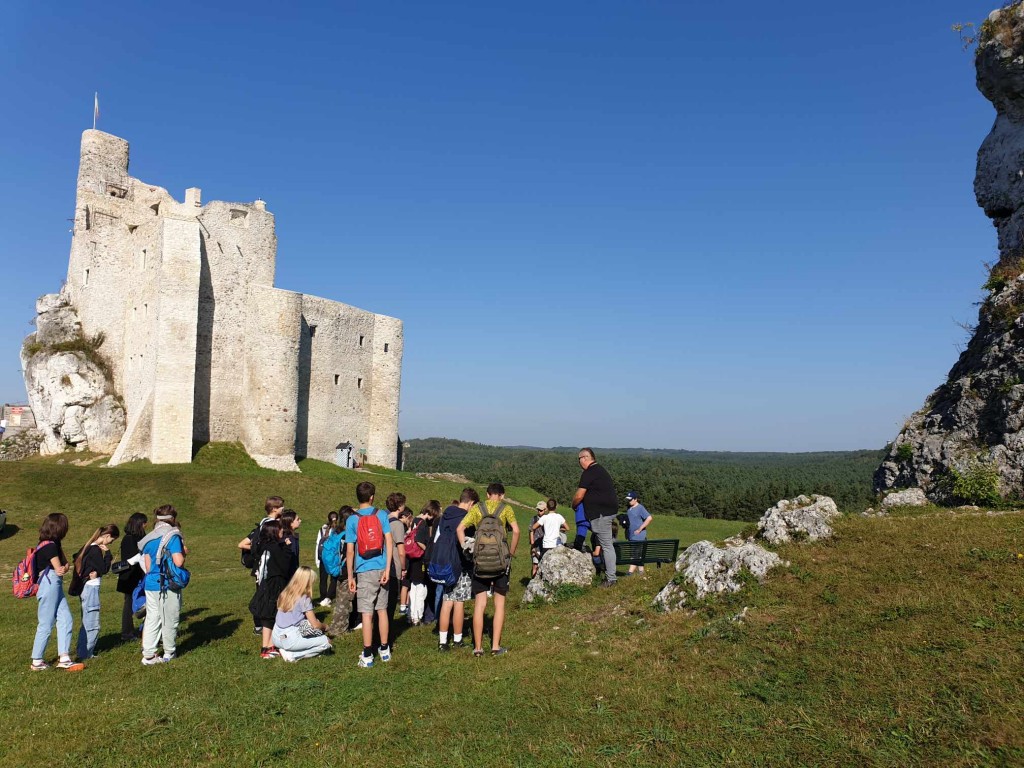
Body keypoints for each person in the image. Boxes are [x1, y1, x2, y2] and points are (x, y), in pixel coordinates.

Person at [457, 482, 520, 657]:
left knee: (480, 604)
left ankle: (477, 648)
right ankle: (495, 647)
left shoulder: (478, 508)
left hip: (480, 561)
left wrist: (466, 548)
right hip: (501, 562)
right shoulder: (506, 509)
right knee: (499, 605)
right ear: (502, 495)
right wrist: (511, 553)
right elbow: (516, 531)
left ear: (487, 494)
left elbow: (460, 528)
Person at [345, 481, 394, 668]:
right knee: (382, 611)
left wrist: (351, 576)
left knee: (366, 613)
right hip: (382, 567)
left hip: (364, 569)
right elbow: (388, 541)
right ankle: (384, 649)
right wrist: (388, 568)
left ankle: (367, 654)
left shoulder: (352, 520)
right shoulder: (381, 515)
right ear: (372, 497)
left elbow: (350, 551)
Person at [29, 513, 84, 671]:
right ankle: (37, 661)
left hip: (53, 584)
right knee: (46, 623)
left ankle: (64, 657)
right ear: (59, 528)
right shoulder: (50, 546)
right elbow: (61, 569)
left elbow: (63, 566)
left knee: (66, 618)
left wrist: (63, 567)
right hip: (49, 584)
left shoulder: (51, 544)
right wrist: (63, 567)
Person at [138, 505, 187, 665]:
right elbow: (178, 562)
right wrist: (184, 553)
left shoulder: (148, 537)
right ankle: (169, 652)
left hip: (151, 583)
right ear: (172, 519)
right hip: (167, 584)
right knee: (169, 618)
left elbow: (146, 564)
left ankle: (149, 654)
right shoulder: (172, 536)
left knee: (152, 618)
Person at [435, 488, 479, 651]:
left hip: (444, 563)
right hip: (460, 564)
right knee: (459, 602)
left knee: (447, 601)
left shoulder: (446, 515)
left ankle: (442, 641)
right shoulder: (466, 519)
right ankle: (458, 639)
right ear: (471, 503)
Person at [572, 448, 618, 586]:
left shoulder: (589, 472)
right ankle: (610, 576)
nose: (579, 462)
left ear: (585, 458)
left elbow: (579, 495)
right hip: (606, 512)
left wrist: (574, 504)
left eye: (579, 459)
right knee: (607, 544)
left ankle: (611, 578)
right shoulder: (599, 470)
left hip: (601, 514)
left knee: (607, 545)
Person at [239, 496, 285, 635]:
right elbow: (242, 544)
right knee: (265, 595)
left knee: (263, 594)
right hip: (265, 566)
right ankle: (260, 624)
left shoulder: (263, 523)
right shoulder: (269, 525)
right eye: (281, 506)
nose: (283, 509)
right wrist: (259, 548)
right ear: (274, 509)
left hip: (262, 565)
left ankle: (261, 624)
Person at [73, 523, 120, 660]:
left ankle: (83, 651)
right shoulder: (95, 550)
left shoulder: (88, 547)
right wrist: (108, 553)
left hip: (86, 588)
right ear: (106, 536)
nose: (111, 542)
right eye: (111, 540)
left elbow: (76, 557)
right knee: (92, 622)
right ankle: (86, 653)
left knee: (86, 620)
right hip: (91, 588)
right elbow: (104, 569)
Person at [249, 519, 291, 659]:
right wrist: (286, 548)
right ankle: (271, 645)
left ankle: (266, 646)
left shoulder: (263, 546)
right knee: (275, 615)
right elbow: (284, 566)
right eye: (279, 530)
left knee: (267, 617)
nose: (282, 532)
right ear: (274, 532)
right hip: (275, 584)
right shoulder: (275, 548)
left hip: (265, 583)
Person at [272, 566, 332, 662]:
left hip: (275, 636)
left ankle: (286, 650)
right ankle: (293, 654)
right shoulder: (304, 598)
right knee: (326, 642)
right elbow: (315, 625)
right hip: (290, 638)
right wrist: (326, 627)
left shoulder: (284, 592)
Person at [407, 500, 439, 625]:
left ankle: (411, 615)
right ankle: (417, 617)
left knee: (414, 588)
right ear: (429, 512)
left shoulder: (415, 520)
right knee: (421, 589)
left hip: (413, 559)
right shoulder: (423, 524)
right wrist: (428, 551)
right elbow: (419, 540)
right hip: (420, 560)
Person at [117, 512, 148, 640]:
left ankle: (140, 629)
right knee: (129, 604)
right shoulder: (129, 539)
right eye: (144, 523)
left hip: (137, 576)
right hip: (130, 577)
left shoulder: (138, 537)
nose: (146, 525)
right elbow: (130, 560)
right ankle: (127, 632)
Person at [384, 492, 409, 624]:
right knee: (391, 602)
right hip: (393, 565)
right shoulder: (398, 524)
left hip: (382, 564)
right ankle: (386, 632)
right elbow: (401, 551)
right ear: (400, 506)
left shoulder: (383, 520)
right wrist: (403, 567)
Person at [624, 491, 653, 575]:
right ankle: (641, 573)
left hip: (638, 537)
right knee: (638, 555)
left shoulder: (640, 508)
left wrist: (640, 529)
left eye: (630, 500)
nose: (629, 501)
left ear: (635, 499)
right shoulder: (629, 508)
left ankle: (630, 572)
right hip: (631, 536)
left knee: (634, 555)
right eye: (628, 500)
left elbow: (649, 518)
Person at [315, 510, 340, 606]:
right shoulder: (338, 529)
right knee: (334, 578)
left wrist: (317, 559)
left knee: (323, 578)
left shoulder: (323, 529)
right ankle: (329, 597)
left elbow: (318, 544)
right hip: (334, 558)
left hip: (323, 557)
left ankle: (323, 597)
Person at [280, 509, 301, 578]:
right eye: (297, 519)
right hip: (289, 575)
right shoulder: (288, 539)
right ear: (291, 523)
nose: (300, 521)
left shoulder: (292, 537)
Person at [529, 501, 545, 578]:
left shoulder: (547, 519)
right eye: (538, 510)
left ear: (545, 510)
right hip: (536, 545)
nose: (539, 511)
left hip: (545, 546)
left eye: (541, 510)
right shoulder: (534, 519)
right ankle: (533, 581)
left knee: (543, 566)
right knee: (535, 565)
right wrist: (532, 545)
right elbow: (531, 530)